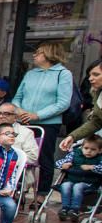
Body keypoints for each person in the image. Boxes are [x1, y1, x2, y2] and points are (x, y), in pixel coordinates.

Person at [12, 41, 73, 205]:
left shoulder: (63, 74)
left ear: (49, 54)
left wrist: (37, 115)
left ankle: (42, 192)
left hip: (47, 123)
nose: (34, 55)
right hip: (25, 121)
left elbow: (63, 103)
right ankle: (17, 188)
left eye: (38, 52)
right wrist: (20, 111)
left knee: (44, 157)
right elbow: (17, 97)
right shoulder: (31, 74)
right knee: (20, 153)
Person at [55, 135, 102, 221]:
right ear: (82, 147)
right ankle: (65, 208)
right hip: (72, 179)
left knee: (78, 187)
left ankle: (75, 209)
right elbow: (58, 162)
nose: (89, 151)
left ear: (100, 150)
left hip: (89, 183)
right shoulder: (74, 154)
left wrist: (92, 167)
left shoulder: (100, 158)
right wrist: (63, 165)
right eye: (86, 148)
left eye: (93, 149)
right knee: (65, 185)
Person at [59, 59, 102, 153]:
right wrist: (73, 136)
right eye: (90, 75)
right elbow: (96, 122)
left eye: (96, 74)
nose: (90, 78)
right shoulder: (96, 92)